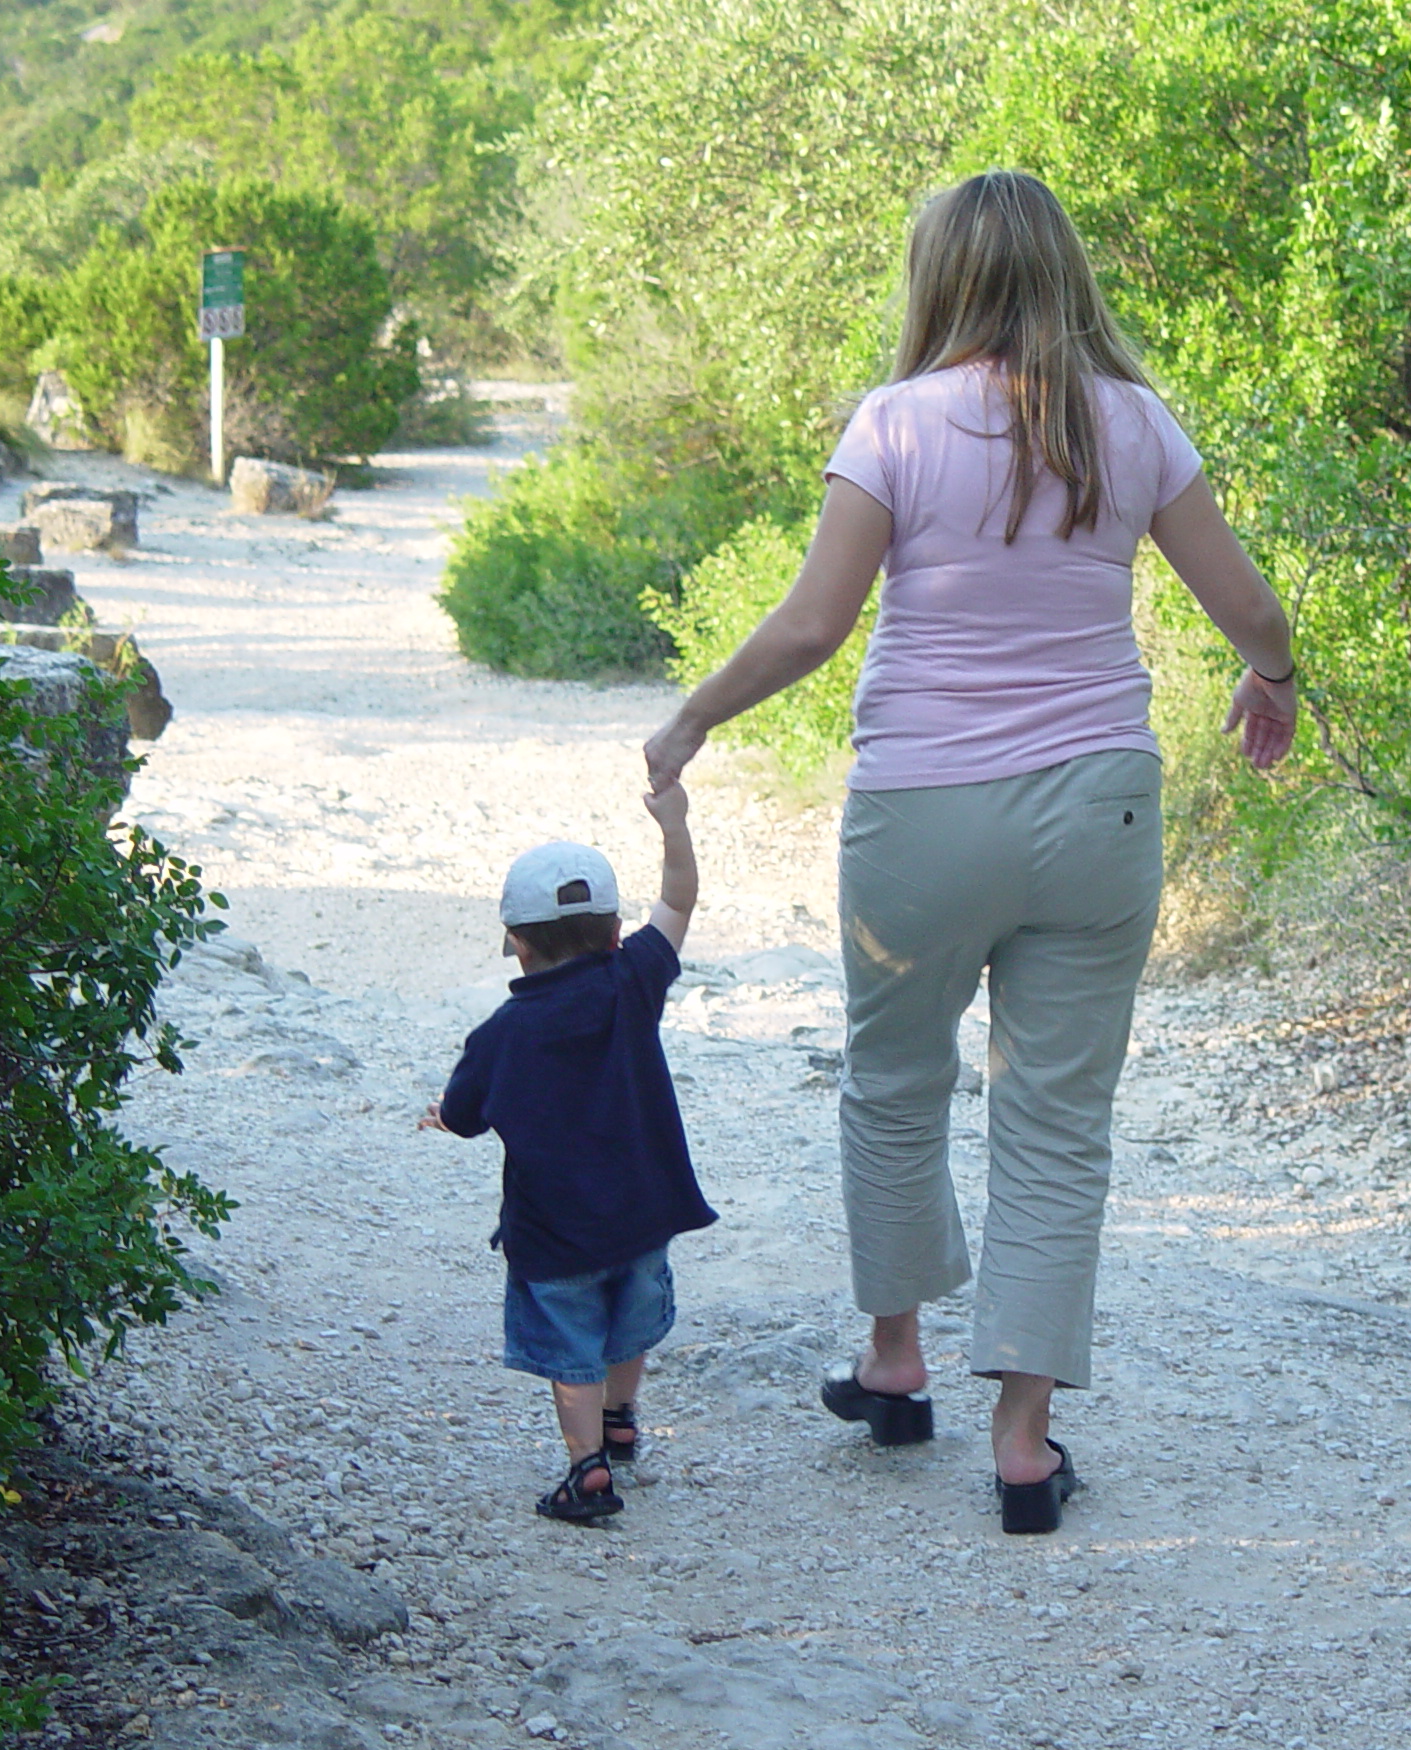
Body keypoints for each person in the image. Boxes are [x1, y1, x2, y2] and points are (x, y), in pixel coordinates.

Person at [642, 170, 1296, 1534]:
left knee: (892, 1079)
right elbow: (1249, 605)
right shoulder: (1134, 423)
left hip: (924, 812)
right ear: (1065, 275)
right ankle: (1020, 1444)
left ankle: (894, 1360)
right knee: (1058, 1122)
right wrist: (1269, 679)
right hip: (1098, 807)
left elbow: (817, 626)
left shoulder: (892, 425)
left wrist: (696, 714)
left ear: (939, 278)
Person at [422, 788, 716, 1524]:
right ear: (617, 932)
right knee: (629, 1324)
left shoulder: (499, 1035)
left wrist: (443, 1119)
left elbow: (465, 1117)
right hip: (644, 1216)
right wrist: (673, 827)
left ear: (518, 942)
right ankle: (624, 1420)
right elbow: (680, 902)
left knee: (571, 1346)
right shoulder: (633, 983)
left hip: (555, 1236)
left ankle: (587, 1468)